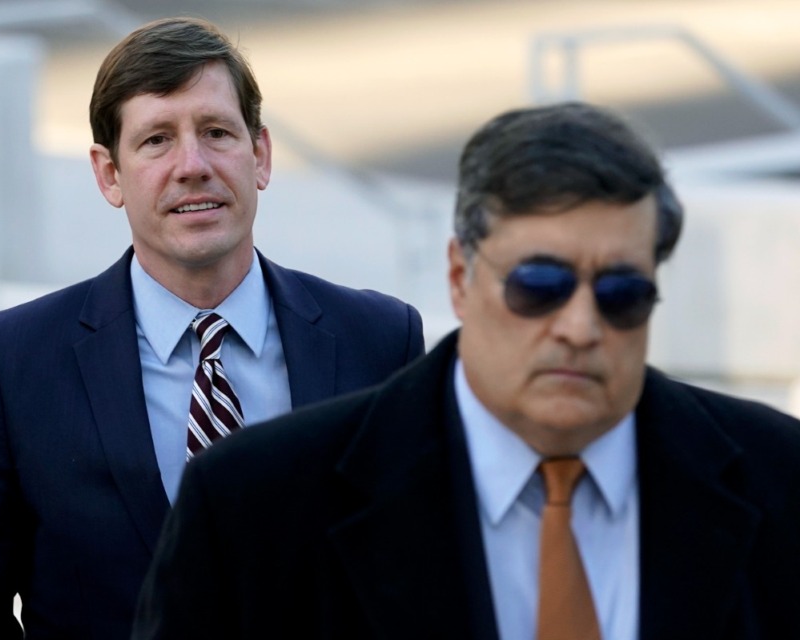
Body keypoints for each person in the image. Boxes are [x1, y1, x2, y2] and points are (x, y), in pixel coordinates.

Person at [132, 101, 800, 639]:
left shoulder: (781, 481)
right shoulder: (254, 507)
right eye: (540, 284)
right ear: (459, 276)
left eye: (621, 293)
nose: (580, 326)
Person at [0, 17, 424, 640]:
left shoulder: (380, 340)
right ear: (109, 174)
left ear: (262, 155)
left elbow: (431, 574)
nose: (192, 165)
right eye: (156, 141)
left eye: (217, 132)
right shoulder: (11, 363)